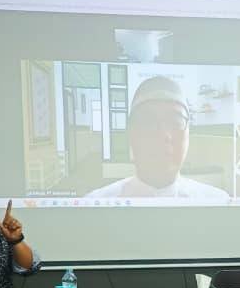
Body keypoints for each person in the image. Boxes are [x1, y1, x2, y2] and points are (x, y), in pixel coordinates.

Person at [85, 76, 230, 199]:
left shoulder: (216, 203)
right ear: (131, 134)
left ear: (188, 133)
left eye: (176, 121)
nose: (163, 134)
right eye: (148, 122)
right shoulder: (96, 204)